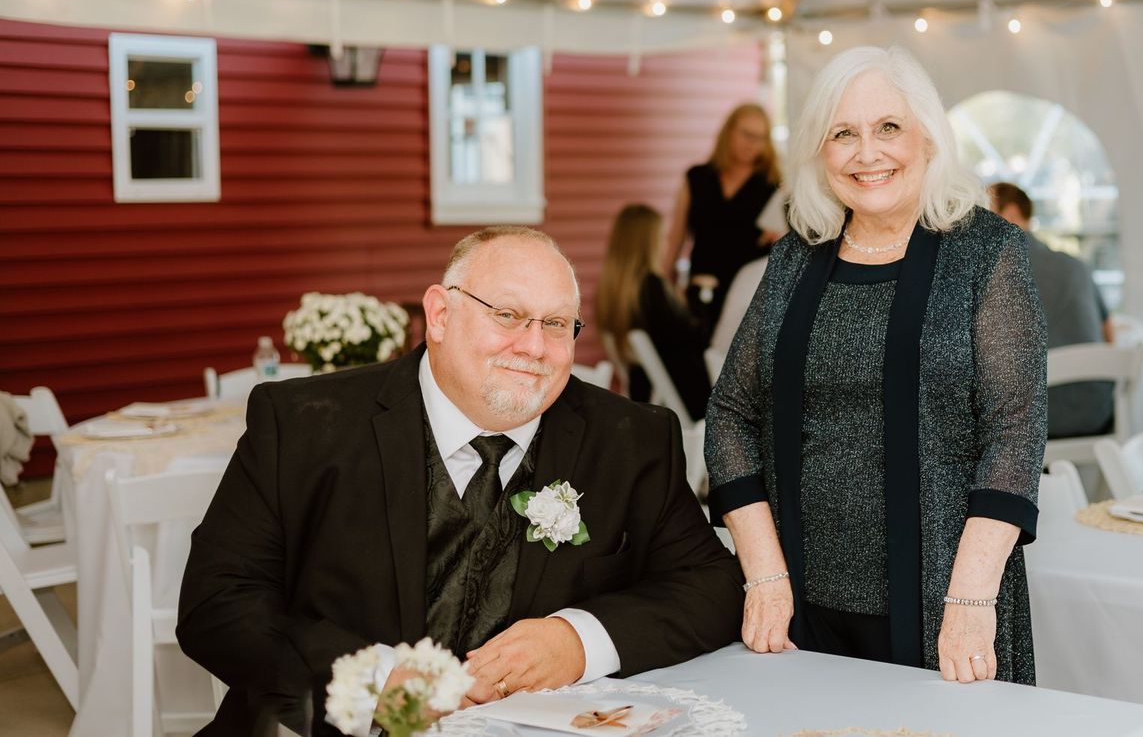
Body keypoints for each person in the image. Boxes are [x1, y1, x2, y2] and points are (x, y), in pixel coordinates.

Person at [178, 227, 743, 735]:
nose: (533, 347)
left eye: (556, 325)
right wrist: (375, 682)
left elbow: (710, 586)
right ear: (441, 315)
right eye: (507, 315)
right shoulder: (304, 425)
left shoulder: (631, 437)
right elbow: (217, 603)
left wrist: (579, 640)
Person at [705, 46, 1048, 685]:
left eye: (888, 127)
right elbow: (729, 414)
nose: (868, 153)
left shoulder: (987, 252)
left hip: (948, 606)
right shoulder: (795, 259)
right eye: (843, 133)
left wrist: (971, 601)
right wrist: (766, 575)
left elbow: (1015, 432)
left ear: (927, 136)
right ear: (820, 151)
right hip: (799, 610)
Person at [989, 182, 1115, 438]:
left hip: (1035, 424)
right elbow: (1109, 334)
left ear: (1011, 214)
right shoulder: (1075, 265)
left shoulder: (993, 275)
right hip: (1096, 411)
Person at [663, 103, 782, 335]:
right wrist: (665, 285)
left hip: (746, 300)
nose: (752, 144)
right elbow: (675, 238)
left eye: (760, 138)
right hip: (699, 291)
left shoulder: (772, 186)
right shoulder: (697, 178)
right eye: (747, 134)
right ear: (729, 131)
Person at [595, 204, 711, 422]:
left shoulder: (613, 291)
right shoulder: (652, 288)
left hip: (645, 391)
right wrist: (700, 296)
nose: (666, 245)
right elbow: (697, 340)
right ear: (649, 243)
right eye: (662, 238)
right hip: (683, 399)